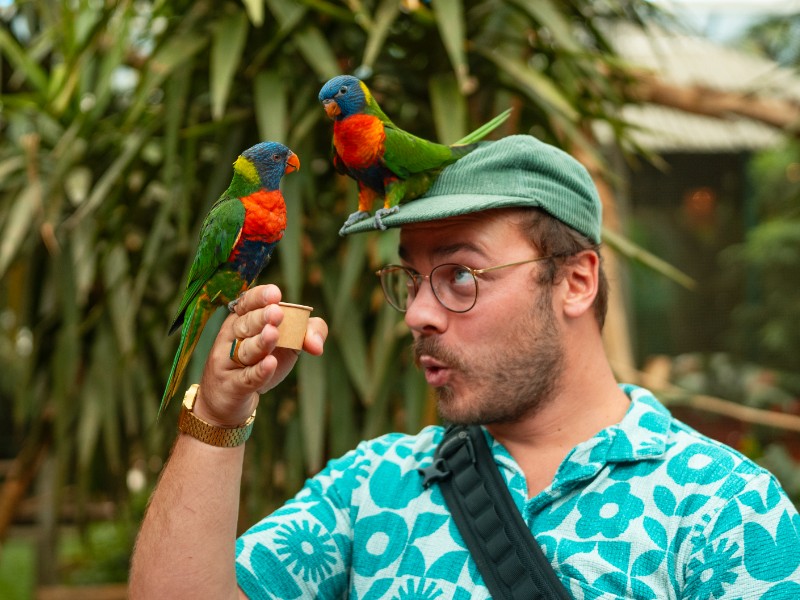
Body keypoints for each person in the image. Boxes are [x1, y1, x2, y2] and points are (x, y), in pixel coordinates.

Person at [130, 135, 800, 599]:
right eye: (412, 279)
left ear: (574, 281)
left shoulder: (722, 509)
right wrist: (217, 414)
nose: (418, 313)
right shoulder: (374, 487)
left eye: (458, 275)